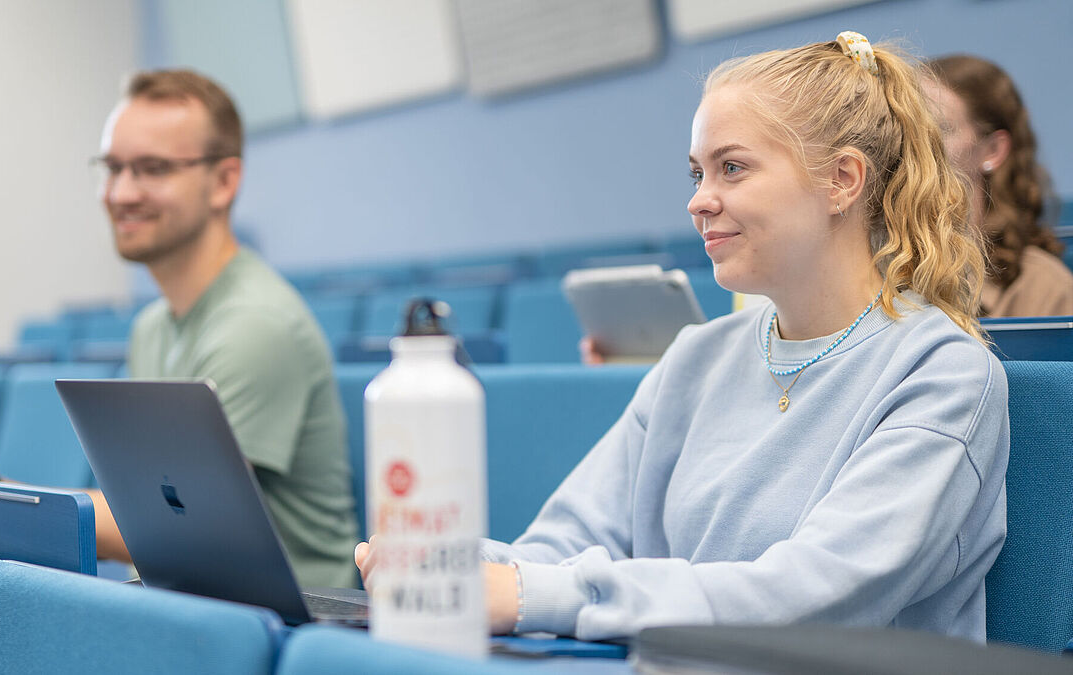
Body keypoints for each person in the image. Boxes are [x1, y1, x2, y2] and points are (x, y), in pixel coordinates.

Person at [358, 32, 1009, 641]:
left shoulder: (944, 372)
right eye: (697, 173)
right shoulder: (701, 354)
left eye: (732, 168)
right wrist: (439, 565)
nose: (699, 199)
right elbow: (564, 541)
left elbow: (814, 597)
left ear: (842, 179)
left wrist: (531, 593)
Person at [0, 70, 360, 589]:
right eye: (113, 168)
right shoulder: (152, 328)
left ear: (224, 182)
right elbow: (155, 507)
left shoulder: (257, 326)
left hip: (284, 628)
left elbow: (183, 526)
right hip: (182, 605)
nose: (121, 192)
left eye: (152, 169)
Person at [923, 54, 1073, 317]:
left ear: (992, 150)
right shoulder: (877, 274)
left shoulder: (1045, 290)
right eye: (909, 128)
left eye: (940, 129)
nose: (916, 146)